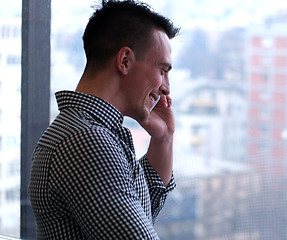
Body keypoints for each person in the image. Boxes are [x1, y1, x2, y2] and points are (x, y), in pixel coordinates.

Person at [28, 0, 180, 239]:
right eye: (163, 70)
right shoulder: (87, 142)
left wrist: (164, 139)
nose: (166, 88)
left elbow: (139, 210)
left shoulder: (87, 131)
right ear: (125, 61)